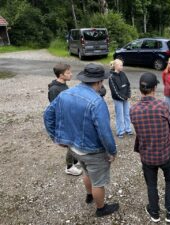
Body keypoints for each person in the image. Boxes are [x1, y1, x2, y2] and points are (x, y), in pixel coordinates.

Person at [44, 63, 119, 217]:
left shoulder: (65, 94)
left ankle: (89, 195)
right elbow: (104, 132)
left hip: (73, 147)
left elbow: (47, 115)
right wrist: (112, 151)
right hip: (93, 150)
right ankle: (101, 208)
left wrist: (56, 137)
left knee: (86, 172)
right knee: (98, 181)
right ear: (99, 82)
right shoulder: (97, 102)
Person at [130, 72, 170, 223]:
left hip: (147, 155)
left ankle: (154, 212)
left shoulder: (133, 109)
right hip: (166, 153)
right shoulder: (162, 106)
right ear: (155, 88)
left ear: (140, 88)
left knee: (151, 184)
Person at [48, 63, 82, 176]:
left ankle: (75, 161)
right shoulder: (54, 89)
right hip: (64, 120)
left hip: (71, 117)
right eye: (68, 73)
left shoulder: (64, 85)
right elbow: (55, 108)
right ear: (61, 75)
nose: (71, 74)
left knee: (76, 139)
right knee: (71, 142)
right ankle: (69, 167)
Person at [109, 59, 133, 138]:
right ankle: (120, 131)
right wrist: (123, 98)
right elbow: (115, 92)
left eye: (122, 65)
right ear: (116, 66)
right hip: (118, 99)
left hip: (126, 98)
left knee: (127, 114)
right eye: (120, 65)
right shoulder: (111, 77)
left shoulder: (123, 74)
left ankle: (128, 129)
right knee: (120, 115)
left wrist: (128, 94)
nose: (122, 67)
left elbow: (128, 84)